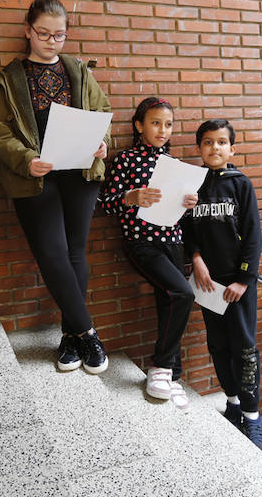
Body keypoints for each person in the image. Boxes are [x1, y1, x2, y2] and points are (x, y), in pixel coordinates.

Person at [0, 0, 111, 374]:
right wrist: (27, 160)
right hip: (35, 178)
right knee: (52, 254)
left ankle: (69, 336)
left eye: (60, 35)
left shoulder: (79, 71)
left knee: (75, 252)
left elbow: (102, 114)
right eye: (44, 33)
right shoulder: (10, 78)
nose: (52, 42)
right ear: (28, 31)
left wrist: (104, 144)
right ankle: (87, 332)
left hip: (80, 173)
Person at [99, 97, 198, 410]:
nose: (163, 130)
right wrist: (131, 196)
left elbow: (177, 209)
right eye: (155, 123)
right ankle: (161, 366)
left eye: (168, 124)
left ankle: (173, 376)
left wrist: (187, 204)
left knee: (169, 302)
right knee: (182, 294)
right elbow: (104, 203)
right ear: (139, 125)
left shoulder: (174, 164)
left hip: (173, 240)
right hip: (142, 242)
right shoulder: (126, 160)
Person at [181, 119, 262, 450]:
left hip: (237, 286)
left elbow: (254, 234)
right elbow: (187, 231)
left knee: (243, 347)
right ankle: (232, 403)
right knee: (217, 343)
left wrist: (244, 280)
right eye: (206, 142)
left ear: (232, 148)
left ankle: (253, 416)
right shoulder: (193, 185)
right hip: (207, 284)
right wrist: (196, 259)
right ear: (199, 148)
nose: (213, 147)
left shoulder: (241, 184)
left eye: (220, 142)